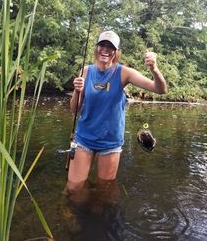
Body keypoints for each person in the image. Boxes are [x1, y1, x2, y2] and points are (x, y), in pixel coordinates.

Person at [68, 30, 167, 192]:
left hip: (110, 142)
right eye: (102, 45)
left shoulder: (124, 73)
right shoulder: (85, 71)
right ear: (96, 47)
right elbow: (74, 109)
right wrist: (77, 91)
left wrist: (154, 69)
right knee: (74, 189)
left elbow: (160, 89)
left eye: (110, 47)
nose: (105, 50)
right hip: (84, 138)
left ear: (116, 52)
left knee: (104, 191)